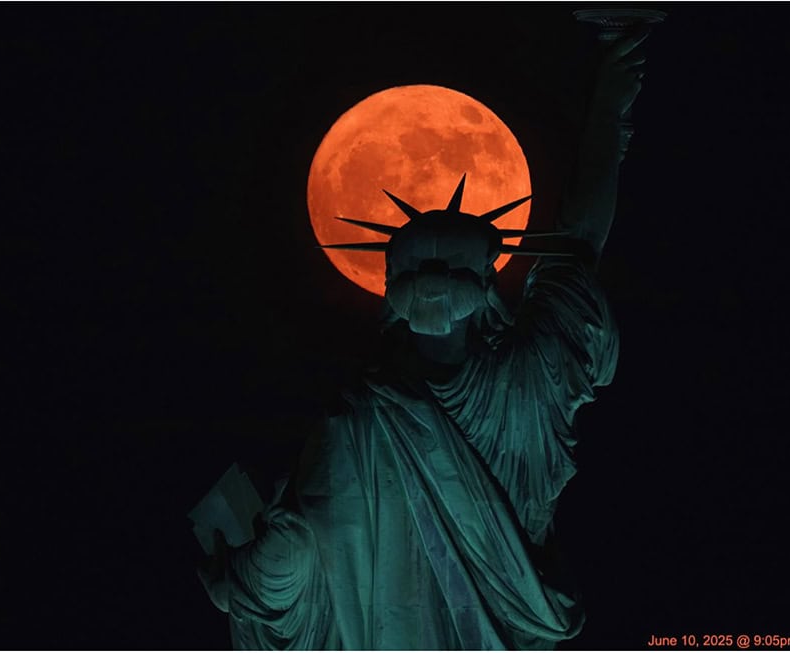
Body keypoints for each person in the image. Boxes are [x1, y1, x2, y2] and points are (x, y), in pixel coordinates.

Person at [198, 30, 649, 650]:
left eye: (443, 266)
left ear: (485, 281)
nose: (431, 281)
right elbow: (305, 560)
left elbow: (581, 239)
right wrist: (263, 571)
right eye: (418, 268)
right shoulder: (363, 416)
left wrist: (616, 73)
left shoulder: (519, 383)